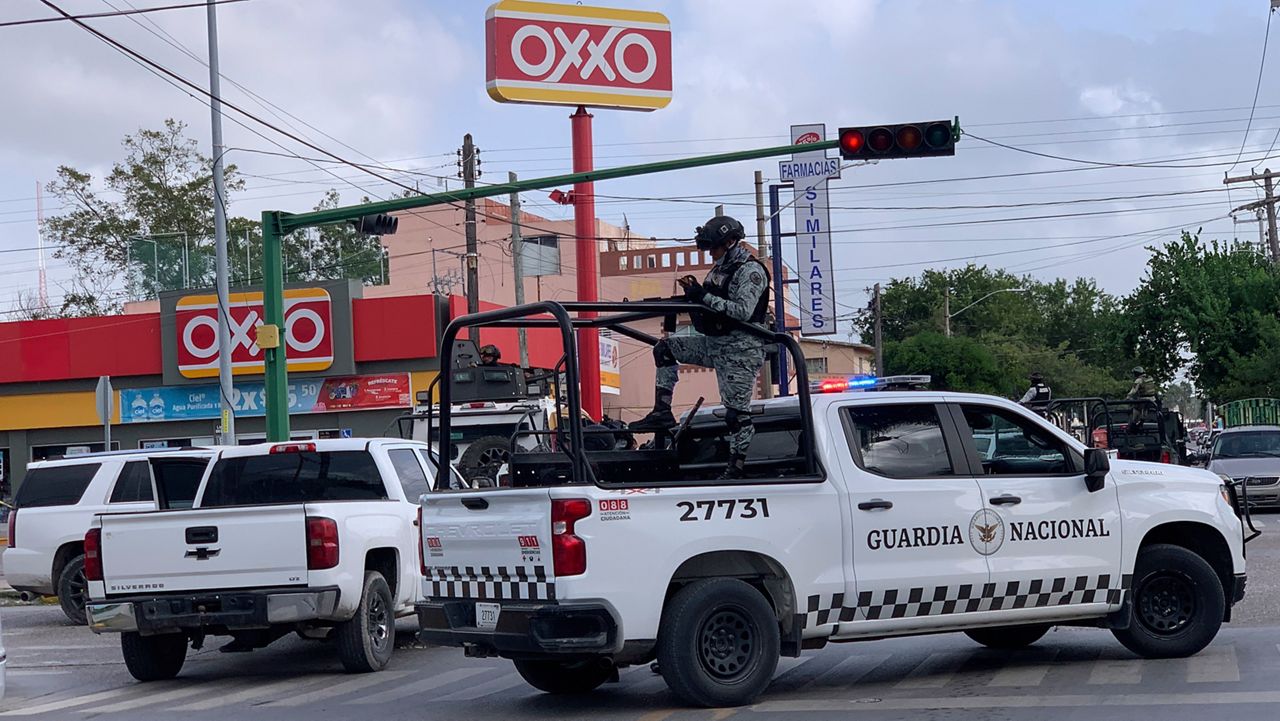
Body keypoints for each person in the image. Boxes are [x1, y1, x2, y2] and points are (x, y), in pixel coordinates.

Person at [630, 215, 770, 479]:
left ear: (730, 242)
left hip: (741, 349)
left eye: (714, 248)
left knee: (736, 416)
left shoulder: (750, 271)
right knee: (665, 348)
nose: (711, 254)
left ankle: (736, 468)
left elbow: (742, 311)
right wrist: (692, 295)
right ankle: (662, 411)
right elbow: (709, 302)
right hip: (714, 343)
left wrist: (701, 296)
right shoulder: (720, 269)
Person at [1126, 366, 1158, 432]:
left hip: (1143, 398)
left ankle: (1134, 423)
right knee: (1145, 409)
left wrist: (1128, 397)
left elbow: (1133, 390)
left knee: (1136, 408)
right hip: (1152, 399)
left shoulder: (1139, 380)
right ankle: (1142, 421)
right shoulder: (1150, 378)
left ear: (1137, 373)